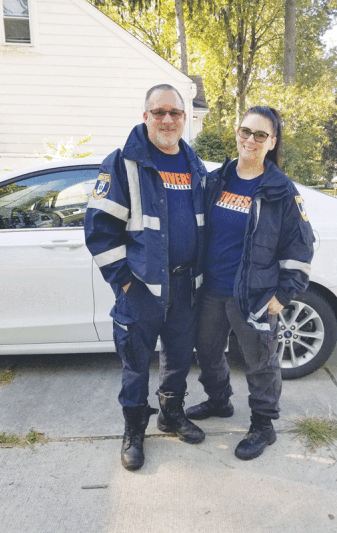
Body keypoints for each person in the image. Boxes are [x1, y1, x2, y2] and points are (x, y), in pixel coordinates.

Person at [85, 84, 207, 471]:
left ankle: (171, 415)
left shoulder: (195, 165)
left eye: (174, 113)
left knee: (177, 359)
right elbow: (100, 229)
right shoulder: (123, 163)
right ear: (145, 116)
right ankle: (134, 431)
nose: (167, 119)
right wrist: (123, 281)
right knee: (136, 364)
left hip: (185, 285)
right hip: (140, 288)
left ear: (184, 119)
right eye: (159, 112)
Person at [186, 106, 315, 460]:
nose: (251, 140)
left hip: (254, 296)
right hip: (212, 290)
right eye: (246, 131)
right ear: (237, 132)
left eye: (261, 135)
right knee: (208, 352)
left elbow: (301, 248)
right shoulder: (219, 179)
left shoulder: (280, 191)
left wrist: (282, 296)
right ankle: (218, 401)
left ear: (272, 142)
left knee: (260, 362)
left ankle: (263, 425)